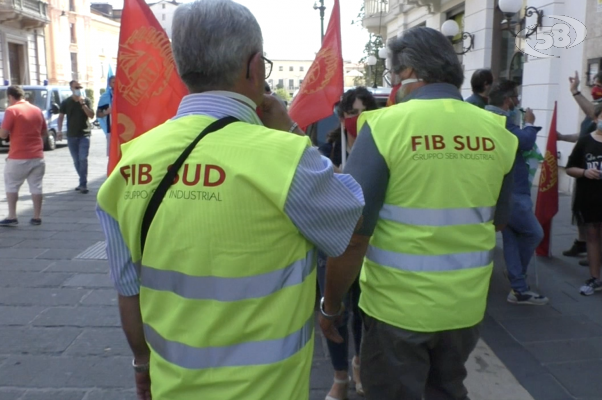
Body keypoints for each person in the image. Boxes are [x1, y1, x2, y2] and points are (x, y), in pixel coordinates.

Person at [95, 1, 364, 399]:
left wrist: (141, 363)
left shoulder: (129, 161)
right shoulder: (286, 157)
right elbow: (353, 222)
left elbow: (128, 290)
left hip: (173, 388)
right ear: (253, 67)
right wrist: (291, 130)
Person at [319, 26, 518, 400]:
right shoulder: (497, 131)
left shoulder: (384, 127)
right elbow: (500, 218)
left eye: (394, 74)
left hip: (398, 311)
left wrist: (331, 306)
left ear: (408, 72)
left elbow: (354, 232)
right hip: (465, 307)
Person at [317, 87, 378, 400]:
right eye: (353, 112)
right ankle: (339, 377)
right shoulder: (327, 151)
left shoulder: (379, 147)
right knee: (335, 311)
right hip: (335, 244)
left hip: (369, 244)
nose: (359, 119)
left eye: (366, 111)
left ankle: (359, 363)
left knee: (363, 312)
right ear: (342, 117)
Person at [484, 79, 549, 305]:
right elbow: (524, 141)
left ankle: (518, 288)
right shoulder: (500, 120)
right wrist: (530, 124)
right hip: (512, 190)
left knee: (512, 236)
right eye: (516, 98)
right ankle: (517, 278)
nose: (518, 103)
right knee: (533, 233)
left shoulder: (487, 117)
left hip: (501, 189)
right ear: (508, 101)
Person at [561, 71, 602, 262]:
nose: (595, 90)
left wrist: (575, 92)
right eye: (595, 84)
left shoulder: (596, 113)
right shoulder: (592, 117)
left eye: (599, 86)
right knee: (582, 213)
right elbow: (583, 137)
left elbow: (592, 113)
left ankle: (595, 252)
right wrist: (562, 138)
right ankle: (584, 243)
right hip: (585, 171)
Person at [0, 85, 48, 227]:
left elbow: (3, 134)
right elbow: (44, 132)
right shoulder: (37, 110)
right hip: (37, 156)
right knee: (36, 186)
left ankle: (12, 216)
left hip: (18, 156)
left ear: (10, 97)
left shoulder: (12, 110)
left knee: (12, 185)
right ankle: (37, 217)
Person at [566, 103, 602, 296]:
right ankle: (595, 278)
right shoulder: (585, 141)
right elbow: (569, 168)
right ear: (595, 119)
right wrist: (585, 172)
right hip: (589, 198)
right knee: (593, 236)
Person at [58, 80, 95, 194]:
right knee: (76, 160)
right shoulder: (66, 102)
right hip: (71, 135)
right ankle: (82, 181)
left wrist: (83, 104)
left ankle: (83, 184)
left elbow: (91, 115)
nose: (78, 89)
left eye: (80, 87)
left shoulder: (86, 100)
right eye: (76, 87)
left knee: (83, 158)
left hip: (84, 134)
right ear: (71, 89)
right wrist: (59, 131)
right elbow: (61, 116)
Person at [97, 75, 115, 155]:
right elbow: (98, 114)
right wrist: (105, 112)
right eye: (113, 82)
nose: (116, 84)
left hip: (125, 131)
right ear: (109, 84)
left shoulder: (125, 95)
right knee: (112, 154)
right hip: (111, 130)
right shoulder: (105, 97)